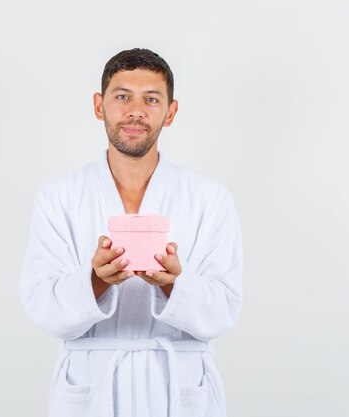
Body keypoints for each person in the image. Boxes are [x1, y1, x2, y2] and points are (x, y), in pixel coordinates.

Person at [19, 48, 243, 417]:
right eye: (122, 96)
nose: (135, 111)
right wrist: (95, 281)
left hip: (178, 387)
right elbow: (42, 304)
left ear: (170, 112)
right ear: (98, 105)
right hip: (92, 389)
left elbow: (224, 311)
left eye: (151, 99)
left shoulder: (210, 199)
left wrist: (173, 284)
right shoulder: (59, 197)